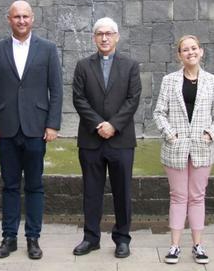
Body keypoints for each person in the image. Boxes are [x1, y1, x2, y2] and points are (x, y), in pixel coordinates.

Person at [0, 0, 63, 260]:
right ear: (9, 19)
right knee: (8, 185)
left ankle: (33, 238)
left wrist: (52, 124)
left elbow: (57, 90)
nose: (21, 21)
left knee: (35, 186)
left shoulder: (48, 49)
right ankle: (9, 237)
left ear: (33, 19)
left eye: (25, 16)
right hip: (6, 127)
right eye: (16, 16)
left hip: (36, 128)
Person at [153, 35, 214, 265]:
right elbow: (158, 113)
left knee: (197, 197)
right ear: (179, 55)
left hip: (202, 148)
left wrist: (210, 134)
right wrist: (170, 134)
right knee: (178, 196)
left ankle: (197, 245)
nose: (190, 52)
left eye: (194, 48)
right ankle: (174, 246)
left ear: (201, 52)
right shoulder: (169, 81)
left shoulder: (212, 81)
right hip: (175, 147)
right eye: (185, 50)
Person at [71, 17, 141, 259]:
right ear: (94, 38)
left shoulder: (131, 65)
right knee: (91, 191)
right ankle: (91, 238)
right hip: (91, 140)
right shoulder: (82, 66)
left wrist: (113, 125)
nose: (104, 37)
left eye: (109, 33)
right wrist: (99, 124)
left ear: (117, 36)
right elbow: (78, 98)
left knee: (122, 192)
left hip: (121, 140)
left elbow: (133, 99)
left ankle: (122, 238)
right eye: (100, 33)